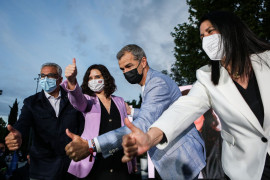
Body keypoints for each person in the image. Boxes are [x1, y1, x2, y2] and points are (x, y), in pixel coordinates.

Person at [121, 11, 270, 180]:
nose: (206, 39)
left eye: (210, 31)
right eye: (201, 36)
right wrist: (150, 137)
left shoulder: (267, 60)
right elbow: (183, 109)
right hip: (246, 170)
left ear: (230, 29)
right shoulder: (207, 77)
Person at [65, 44, 206, 180]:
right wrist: (71, 83)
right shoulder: (90, 100)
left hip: (180, 156)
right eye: (122, 69)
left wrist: (91, 145)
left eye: (129, 66)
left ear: (143, 61)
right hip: (97, 164)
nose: (126, 72)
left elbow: (144, 122)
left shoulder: (156, 83)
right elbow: (159, 113)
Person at [5, 62, 84, 180]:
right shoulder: (31, 102)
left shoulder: (73, 100)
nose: (46, 79)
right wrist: (17, 134)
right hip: (42, 170)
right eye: (42, 76)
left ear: (60, 79)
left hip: (71, 169)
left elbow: (83, 126)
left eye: (51, 75)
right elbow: (22, 123)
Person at [63, 60, 136, 179]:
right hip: (94, 161)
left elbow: (127, 130)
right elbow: (77, 100)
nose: (93, 80)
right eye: (90, 78)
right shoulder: (87, 99)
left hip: (120, 161)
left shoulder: (120, 101)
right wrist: (71, 81)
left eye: (97, 76)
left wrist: (132, 161)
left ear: (105, 78)